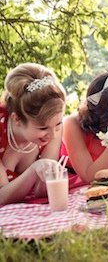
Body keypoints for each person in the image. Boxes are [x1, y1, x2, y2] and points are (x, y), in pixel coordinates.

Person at [0, 63, 66, 205]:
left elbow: (42, 191)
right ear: (16, 119)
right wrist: (34, 170)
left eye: (58, 124)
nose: (52, 135)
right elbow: (1, 197)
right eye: (43, 128)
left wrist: (48, 176)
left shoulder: (53, 128)